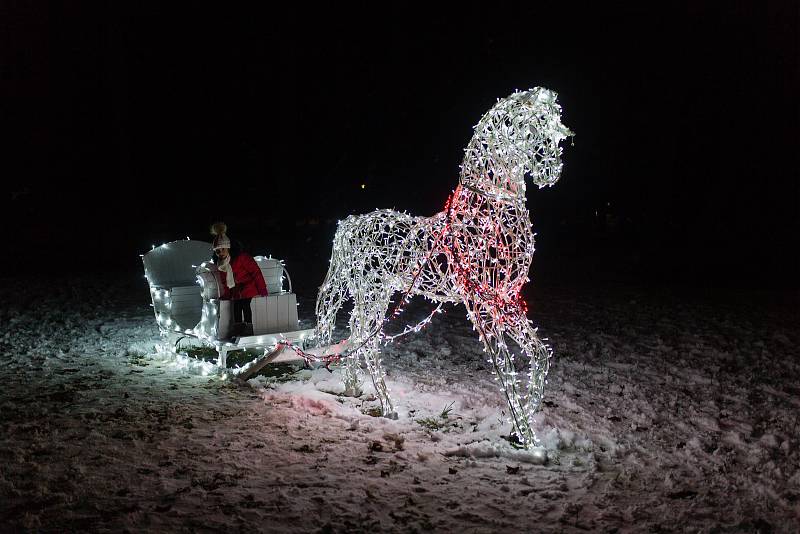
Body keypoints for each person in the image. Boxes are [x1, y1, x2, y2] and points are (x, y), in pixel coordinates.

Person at [210, 222, 268, 337]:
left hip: (248, 287)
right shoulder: (221, 264)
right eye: (218, 251)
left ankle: (248, 329)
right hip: (236, 290)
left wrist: (262, 288)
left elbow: (255, 272)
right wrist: (227, 294)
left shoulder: (241, 258)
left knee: (245, 305)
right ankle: (238, 330)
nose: (221, 253)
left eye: (223, 249)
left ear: (228, 248)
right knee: (236, 307)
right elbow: (225, 281)